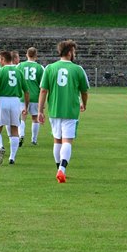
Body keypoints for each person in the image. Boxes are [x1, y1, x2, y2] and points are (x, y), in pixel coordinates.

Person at [37, 40, 90, 183]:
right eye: (74, 51)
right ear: (69, 52)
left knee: (57, 140)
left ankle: (58, 168)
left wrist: (40, 110)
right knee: (67, 141)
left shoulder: (49, 68)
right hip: (70, 110)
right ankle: (62, 169)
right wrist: (84, 103)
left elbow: (43, 90)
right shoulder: (78, 69)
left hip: (54, 109)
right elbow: (84, 91)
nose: (75, 54)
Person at [0, 50, 29, 165]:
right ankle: (12, 157)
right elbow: (26, 91)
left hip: (2, 101)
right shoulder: (19, 72)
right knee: (14, 129)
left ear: (3, 59)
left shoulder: (0, 71)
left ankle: (0, 147)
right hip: (15, 101)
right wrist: (26, 106)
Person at [18, 47, 45, 145]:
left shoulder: (20, 65)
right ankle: (34, 140)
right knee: (35, 118)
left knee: (22, 117)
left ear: (27, 55)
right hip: (35, 96)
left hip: (22, 96)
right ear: (36, 56)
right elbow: (43, 85)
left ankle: (21, 135)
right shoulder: (40, 68)